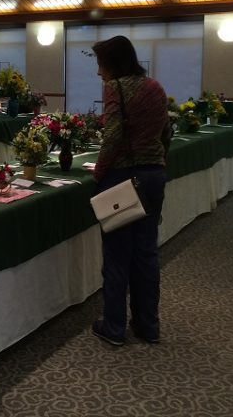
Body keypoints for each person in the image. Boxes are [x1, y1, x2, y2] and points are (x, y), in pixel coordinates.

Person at [91, 35, 171, 347]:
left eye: (101, 64)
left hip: (123, 179)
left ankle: (113, 327)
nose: (99, 72)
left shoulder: (116, 88)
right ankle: (148, 325)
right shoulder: (155, 87)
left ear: (113, 64)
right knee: (146, 254)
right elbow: (166, 133)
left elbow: (112, 137)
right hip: (153, 176)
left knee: (117, 255)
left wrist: (99, 173)